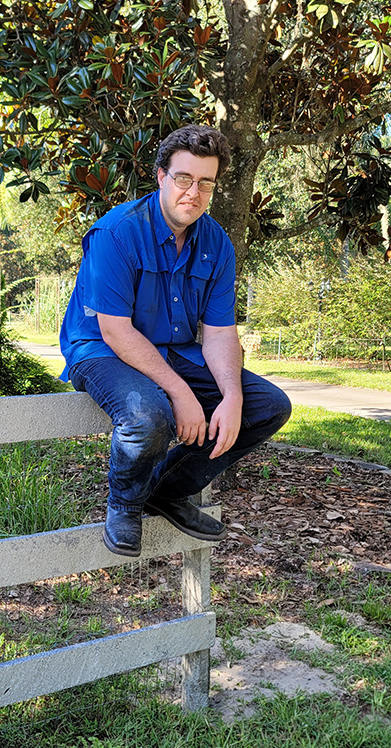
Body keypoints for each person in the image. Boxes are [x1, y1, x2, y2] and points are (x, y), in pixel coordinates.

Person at [59, 124, 292, 557]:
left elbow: (220, 332)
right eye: (184, 178)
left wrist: (233, 396)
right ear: (161, 176)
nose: (194, 192)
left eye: (206, 182)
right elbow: (115, 330)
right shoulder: (117, 233)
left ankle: (163, 491)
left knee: (268, 406)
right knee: (150, 415)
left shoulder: (217, 244)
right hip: (103, 349)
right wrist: (181, 392)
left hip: (175, 352)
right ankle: (124, 503)